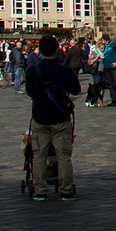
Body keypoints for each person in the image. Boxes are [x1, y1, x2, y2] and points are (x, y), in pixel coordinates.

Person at [26, 34, 81, 201]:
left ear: (39, 51)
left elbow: (29, 92)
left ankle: (40, 190)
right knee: (63, 156)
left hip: (40, 117)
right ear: (57, 51)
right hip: (60, 118)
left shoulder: (32, 71)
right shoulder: (64, 71)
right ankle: (66, 190)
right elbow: (76, 90)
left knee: (39, 155)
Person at [101, 34, 116, 106]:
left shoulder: (114, 45)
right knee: (110, 84)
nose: (106, 42)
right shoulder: (103, 46)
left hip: (113, 68)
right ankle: (114, 100)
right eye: (105, 40)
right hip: (106, 67)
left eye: (107, 40)